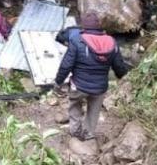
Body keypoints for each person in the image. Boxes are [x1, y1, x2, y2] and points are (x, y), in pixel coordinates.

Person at [54, 12, 129, 141]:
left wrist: (58, 82)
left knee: (75, 105)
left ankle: (75, 132)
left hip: (79, 86)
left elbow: (66, 65)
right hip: (100, 88)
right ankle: (88, 134)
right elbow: (119, 67)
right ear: (100, 26)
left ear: (83, 27)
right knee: (94, 111)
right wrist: (124, 77)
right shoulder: (111, 41)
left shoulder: (77, 40)